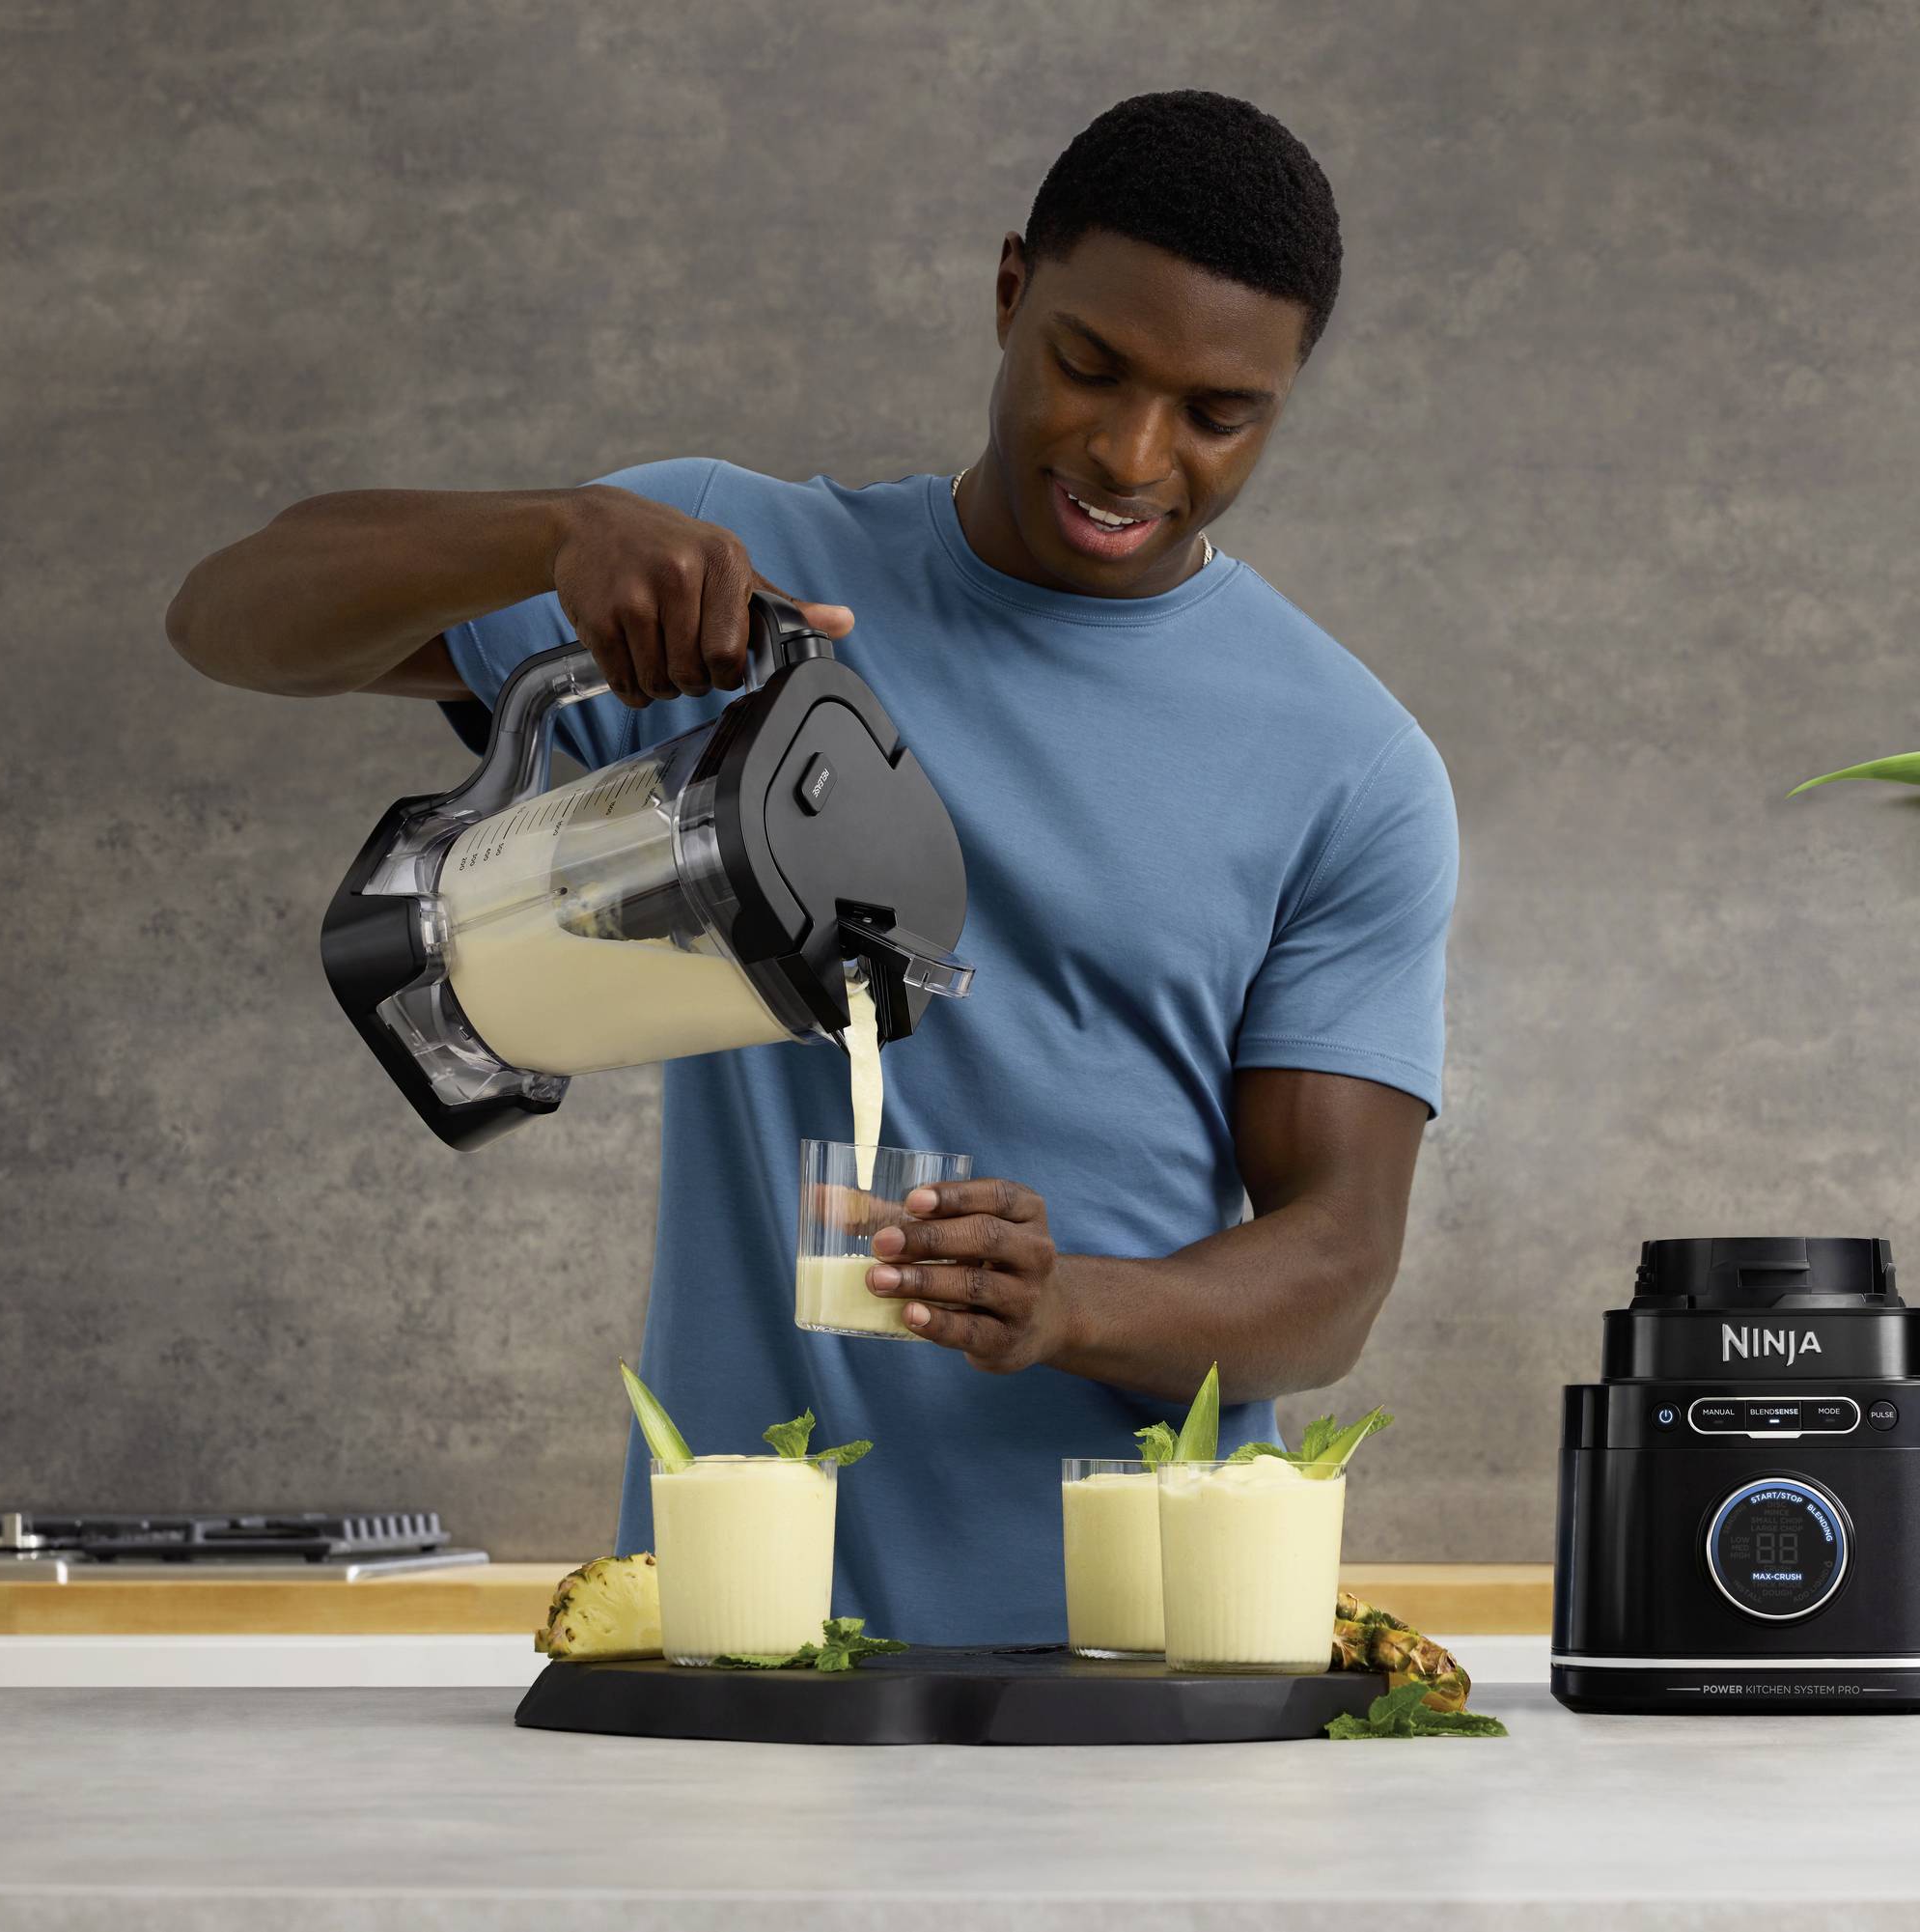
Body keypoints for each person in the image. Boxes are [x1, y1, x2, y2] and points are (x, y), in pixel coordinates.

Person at [165, 90, 1458, 1643]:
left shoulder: (1348, 764)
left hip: (1137, 1669)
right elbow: (229, 621)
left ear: (1287, 396)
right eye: (1089, 367)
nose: (1132, 452)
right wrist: (553, 531)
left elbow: (1337, 1268)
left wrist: (1067, 1306)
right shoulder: (734, 572)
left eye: (1217, 413)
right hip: (738, 1653)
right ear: (1008, 294)